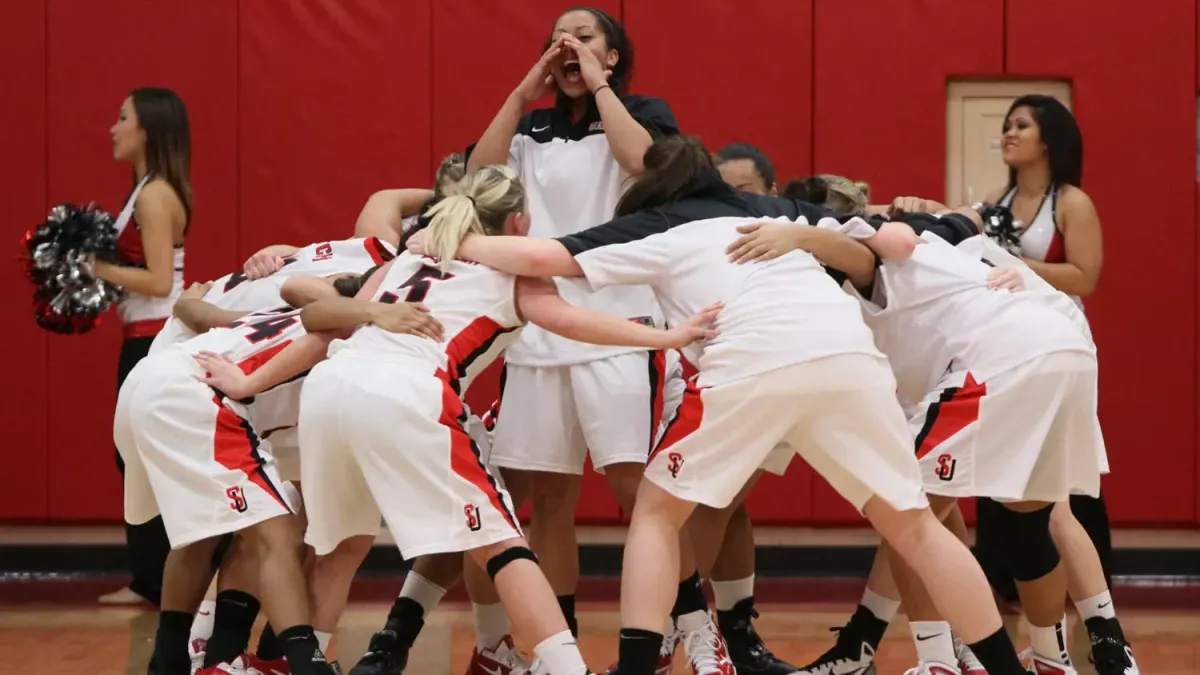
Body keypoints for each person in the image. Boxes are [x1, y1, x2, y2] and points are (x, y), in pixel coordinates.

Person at [407, 136, 1034, 675]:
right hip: (847, 355)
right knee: (915, 526)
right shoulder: (779, 208)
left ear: (647, 191)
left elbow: (541, 257)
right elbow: (886, 235)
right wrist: (961, 221)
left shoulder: (659, 224)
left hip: (751, 357)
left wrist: (443, 241)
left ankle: (636, 666)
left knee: (656, 515)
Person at [195, 164, 720, 675]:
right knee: (501, 541)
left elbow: (327, 328)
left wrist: (248, 383)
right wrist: (668, 337)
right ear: (517, 223)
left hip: (331, 390)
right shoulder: (512, 274)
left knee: (339, 550)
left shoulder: (405, 258)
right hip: (407, 392)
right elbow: (581, 324)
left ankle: (295, 664)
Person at [448, 8, 737, 675]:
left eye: (586, 35)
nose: (569, 44)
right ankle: (562, 651)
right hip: (542, 330)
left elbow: (644, 162)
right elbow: (476, 177)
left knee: (641, 494)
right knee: (548, 500)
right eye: (560, 35)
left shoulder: (642, 111)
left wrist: (602, 83)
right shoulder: (532, 126)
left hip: (618, 325)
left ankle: (698, 633)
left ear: (614, 54)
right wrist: (524, 91)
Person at [728, 209, 1136, 675]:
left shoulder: (866, 253)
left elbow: (862, 251)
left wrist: (791, 234)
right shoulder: (950, 253)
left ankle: (936, 659)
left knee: (908, 519)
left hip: (1004, 356)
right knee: (1031, 517)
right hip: (1069, 349)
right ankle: (1055, 657)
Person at [116, 269, 413, 675]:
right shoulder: (350, 336)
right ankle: (307, 665)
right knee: (277, 537)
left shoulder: (273, 313)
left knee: (201, 534)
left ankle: (169, 661)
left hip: (145, 382)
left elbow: (201, 310)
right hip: (194, 396)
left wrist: (191, 299)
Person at [94, 87, 191, 607]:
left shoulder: (154, 196)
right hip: (141, 339)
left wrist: (92, 270)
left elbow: (156, 281)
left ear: (147, 129)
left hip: (155, 341)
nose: (113, 127)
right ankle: (151, 578)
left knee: (139, 455)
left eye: (122, 116)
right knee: (131, 454)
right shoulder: (146, 189)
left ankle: (160, 581)